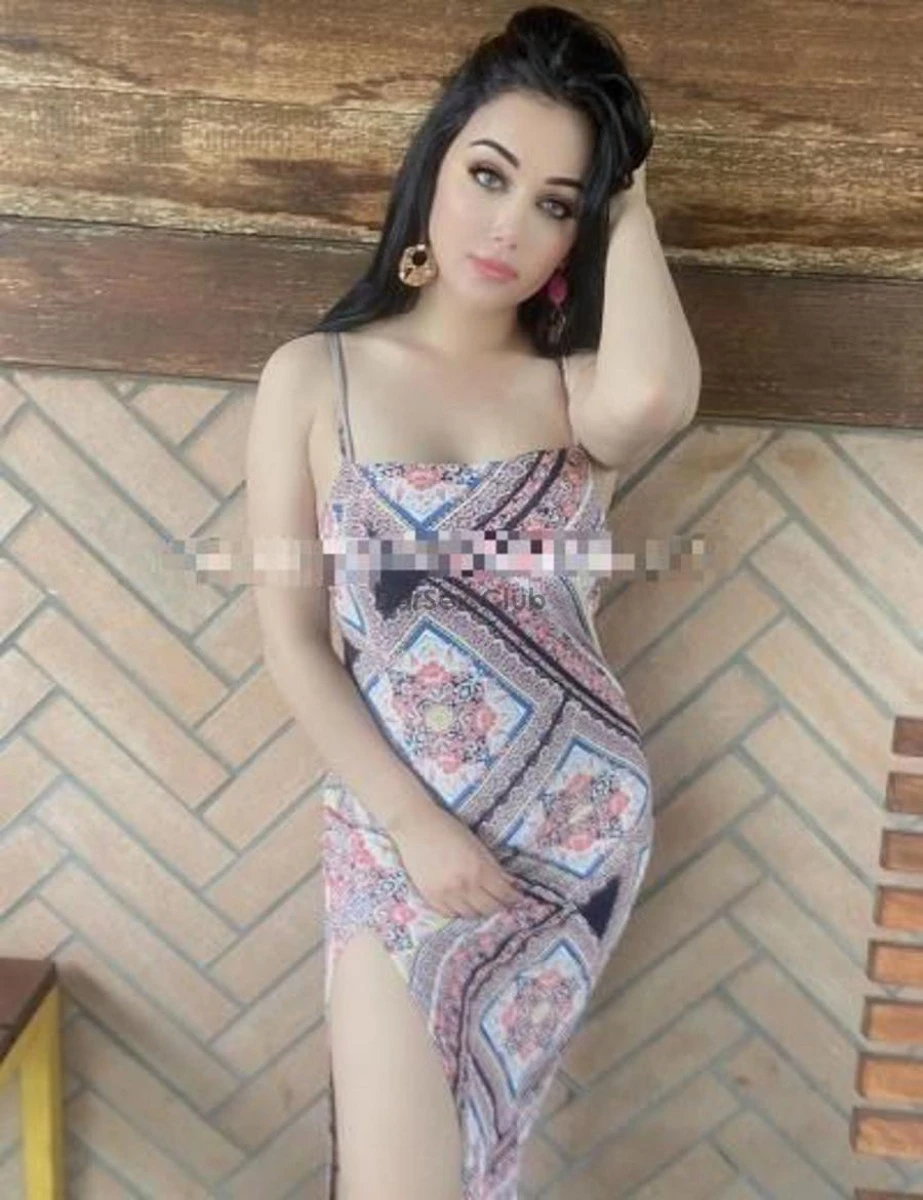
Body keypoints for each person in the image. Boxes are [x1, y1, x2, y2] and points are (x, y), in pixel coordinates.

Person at [245, 5, 700, 1197]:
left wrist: (628, 193)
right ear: (433, 167)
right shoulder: (312, 378)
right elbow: (291, 637)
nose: (507, 227)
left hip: (569, 836)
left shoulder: (571, 392)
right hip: (395, 833)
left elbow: (654, 396)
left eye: (554, 203)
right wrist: (410, 823)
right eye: (488, 175)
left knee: (476, 1164)